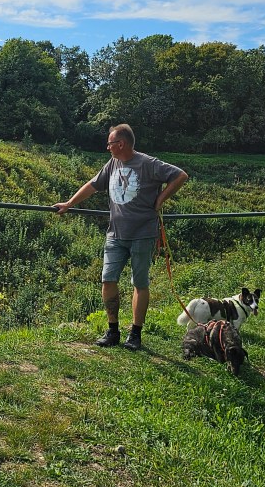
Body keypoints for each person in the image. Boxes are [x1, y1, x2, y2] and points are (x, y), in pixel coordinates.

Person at [54, 124, 189, 351]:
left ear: (121, 144)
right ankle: (113, 330)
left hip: (143, 234)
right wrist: (69, 204)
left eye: (110, 143)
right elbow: (93, 185)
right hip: (115, 233)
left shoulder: (148, 163)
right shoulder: (112, 163)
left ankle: (135, 334)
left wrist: (160, 199)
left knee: (140, 283)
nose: (107, 147)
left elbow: (180, 176)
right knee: (108, 280)